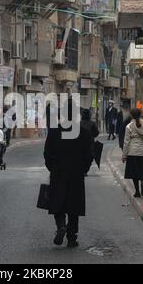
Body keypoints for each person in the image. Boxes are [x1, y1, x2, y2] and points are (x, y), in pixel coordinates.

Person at [44, 100, 92, 248]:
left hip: (59, 172)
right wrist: (84, 169)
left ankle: (60, 226)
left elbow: (47, 154)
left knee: (57, 202)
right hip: (76, 174)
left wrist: (52, 168)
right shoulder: (83, 133)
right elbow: (89, 155)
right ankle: (72, 238)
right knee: (74, 206)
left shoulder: (54, 131)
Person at [122, 108, 143, 198]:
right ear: (141, 114)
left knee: (134, 173)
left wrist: (124, 155)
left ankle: (137, 191)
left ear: (131, 115)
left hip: (132, 152)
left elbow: (126, 142)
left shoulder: (129, 126)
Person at [80, 108, 99, 175]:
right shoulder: (92, 123)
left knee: (80, 157)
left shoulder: (79, 123)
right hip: (90, 143)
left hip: (80, 143)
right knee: (90, 157)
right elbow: (96, 132)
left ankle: (82, 170)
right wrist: (91, 136)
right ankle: (85, 170)